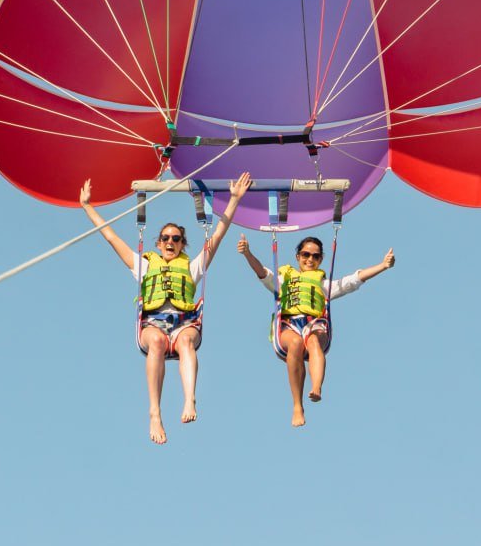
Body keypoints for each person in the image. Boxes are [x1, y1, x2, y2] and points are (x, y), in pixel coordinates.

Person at [80, 173, 251, 445]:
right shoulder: (145, 266)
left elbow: (218, 234)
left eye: (176, 238)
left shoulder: (193, 267)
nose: (170, 242)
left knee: (185, 342)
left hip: (185, 324)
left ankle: (189, 399)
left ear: (183, 244)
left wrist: (234, 201)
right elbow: (112, 238)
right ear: (158, 244)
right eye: (165, 238)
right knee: (158, 343)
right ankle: (155, 412)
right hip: (153, 325)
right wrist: (88, 207)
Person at [237, 233, 394, 427]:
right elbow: (261, 271)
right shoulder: (283, 280)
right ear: (298, 256)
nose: (310, 259)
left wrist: (383, 266)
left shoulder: (323, 285)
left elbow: (354, 280)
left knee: (312, 341)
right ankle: (297, 406)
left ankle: (316, 387)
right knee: (295, 344)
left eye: (315, 256)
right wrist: (247, 253)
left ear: (320, 259)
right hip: (289, 325)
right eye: (305, 255)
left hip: (315, 324)